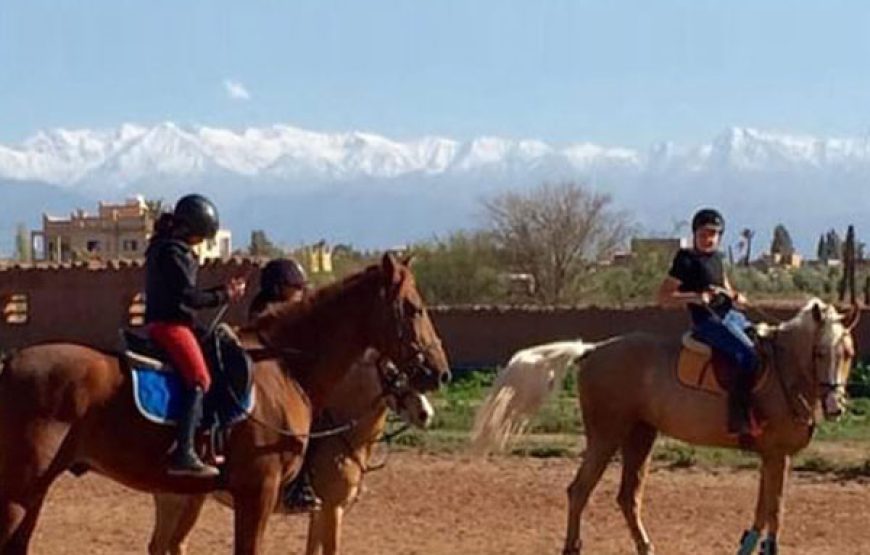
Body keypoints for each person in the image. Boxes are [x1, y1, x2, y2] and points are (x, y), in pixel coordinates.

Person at [145, 193, 246, 477]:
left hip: (172, 323)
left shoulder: (162, 247)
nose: (201, 243)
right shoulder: (173, 252)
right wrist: (225, 294)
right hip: (171, 325)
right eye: (201, 237)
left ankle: (209, 435)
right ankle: (183, 451)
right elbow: (188, 298)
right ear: (190, 230)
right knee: (200, 378)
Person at [657, 208, 759, 438]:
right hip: (707, 322)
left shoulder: (717, 259)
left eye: (714, 234)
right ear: (695, 234)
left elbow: (725, 286)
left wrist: (736, 297)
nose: (709, 238)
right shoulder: (685, 259)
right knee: (748, 355)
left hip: (730, 317)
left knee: (763, 345)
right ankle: (737, 418)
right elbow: (664, 298)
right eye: (704, 234)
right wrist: (695, 297)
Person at [248, 258, 321, 512]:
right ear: (279, 288)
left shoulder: (285, 313)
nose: (300, 292)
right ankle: (299, 484)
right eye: (295, 287)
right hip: (272, 386)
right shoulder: (268, 313)